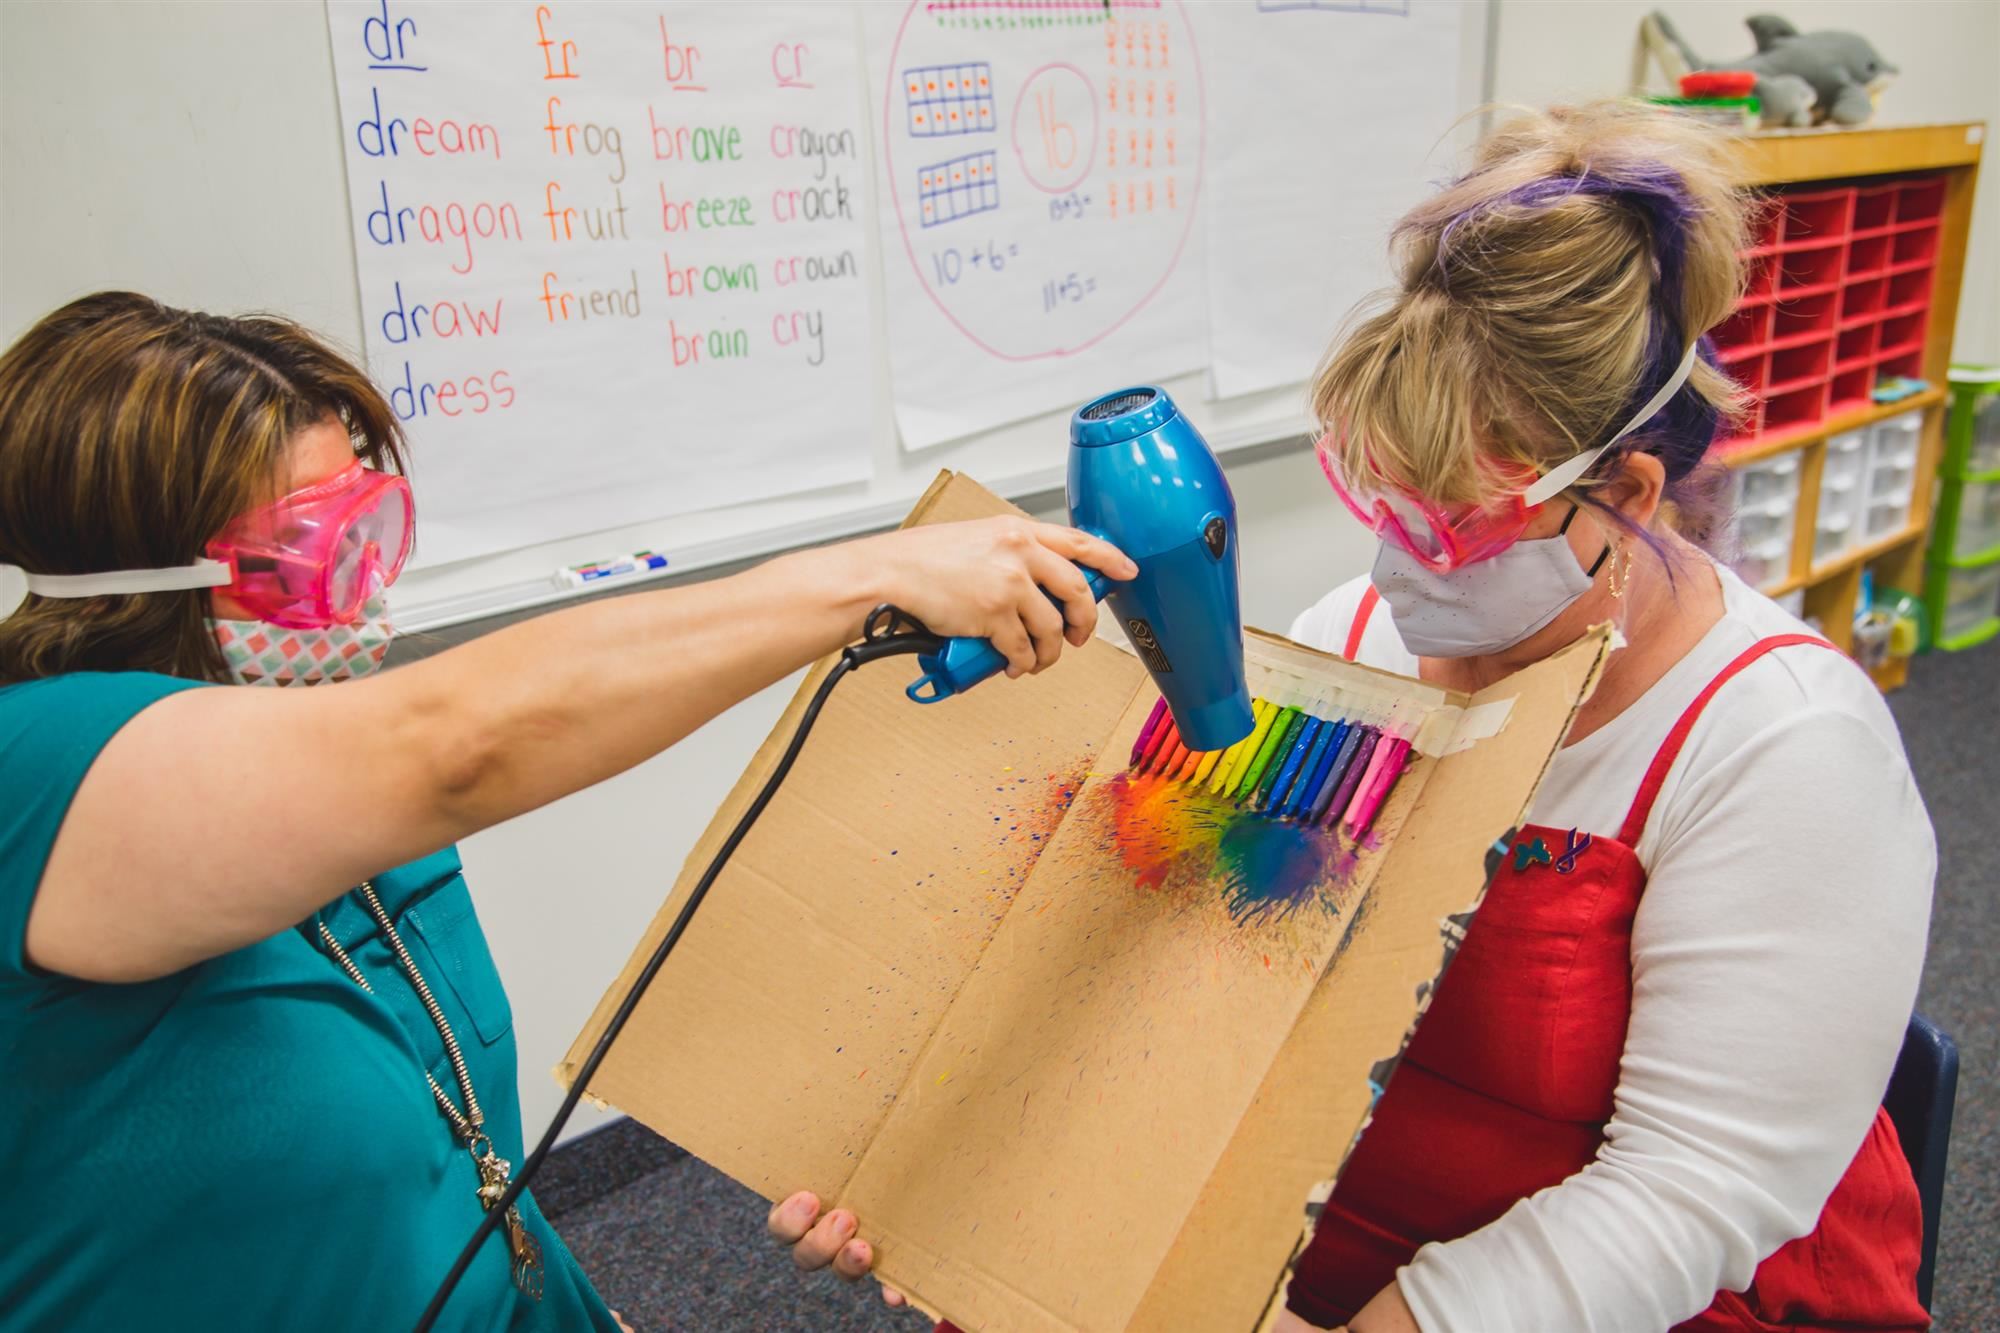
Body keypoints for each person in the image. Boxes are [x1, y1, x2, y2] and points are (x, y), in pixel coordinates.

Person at [776, 103, 1935, 1333]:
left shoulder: (1783, 748)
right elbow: (1215, 960)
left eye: (1450, 524)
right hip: (1301, 1247)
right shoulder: (1350, 638)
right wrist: (980, 1173)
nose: (1397, 570)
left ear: (1628, 495)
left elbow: (1687, 1192)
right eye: (1377, 500)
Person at [0, 291, 1137, 1332]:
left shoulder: (348, 808)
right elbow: (461, 743)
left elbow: (464, 1159)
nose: (366, 594)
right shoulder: (40, 766)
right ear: (131, 582)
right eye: (310, 554)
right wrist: (866, 578)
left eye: (370, 528)